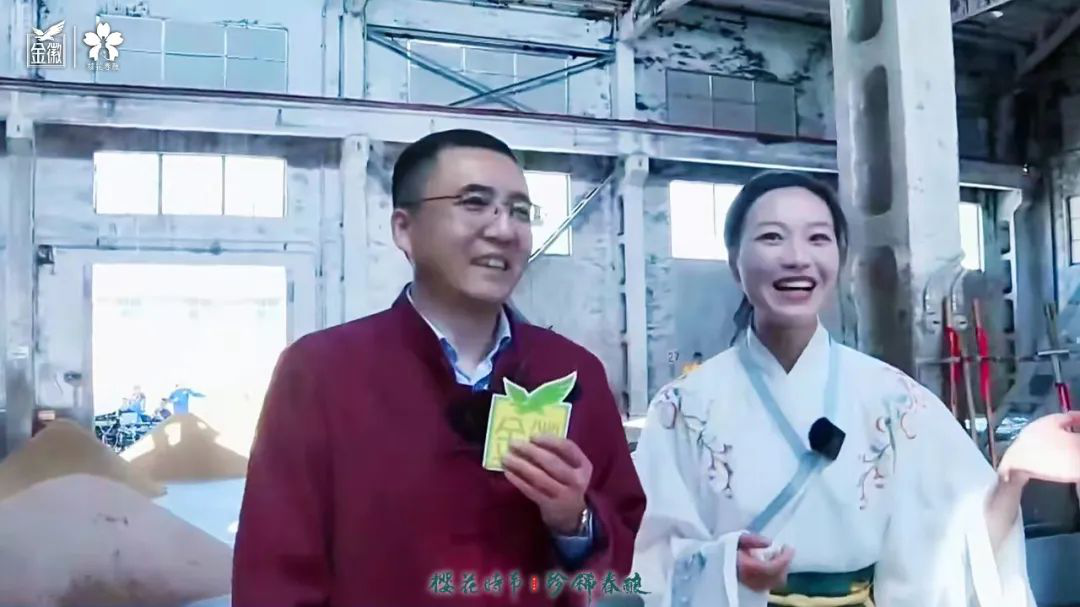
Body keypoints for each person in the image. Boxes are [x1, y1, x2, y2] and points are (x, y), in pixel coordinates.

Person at [233, 129, 646, 606]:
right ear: (404, 229)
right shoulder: (321, 372)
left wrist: (576, 523)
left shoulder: (572, 374)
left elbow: (625, 542)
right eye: (474, 203)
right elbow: (275, 573)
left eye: (519, 211)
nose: (504, 230)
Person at [630, 171, 1080, 607]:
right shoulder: (681, 408)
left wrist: (1012, 474)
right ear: (734, 262)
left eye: (818, 238)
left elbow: (961, 538)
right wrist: (724, 568)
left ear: (840, 260)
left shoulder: (897, 402)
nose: (797, 257)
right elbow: (643, 558)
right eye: (771, 237)